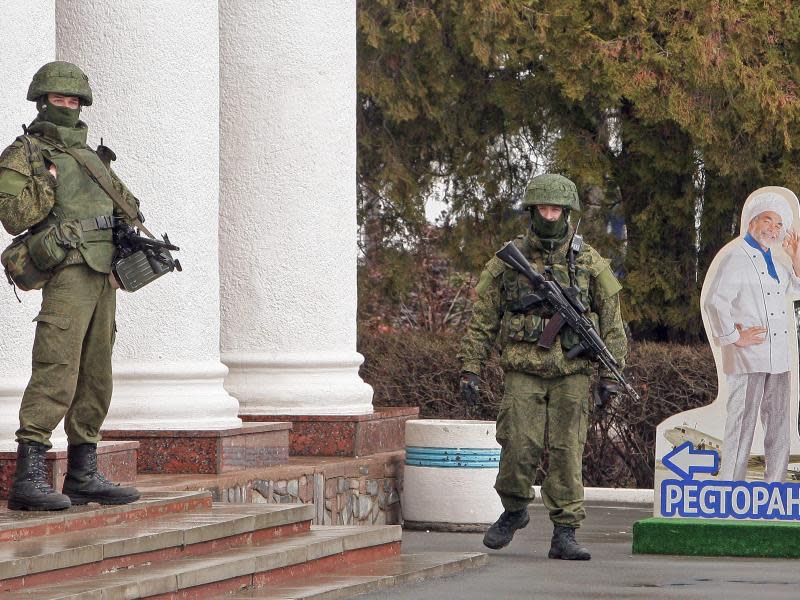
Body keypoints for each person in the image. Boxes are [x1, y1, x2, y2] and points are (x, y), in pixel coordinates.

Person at [458, 173, 627, 560]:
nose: (550, 216)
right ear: (532, 211)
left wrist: (610, 376)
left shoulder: (588, 260)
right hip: (523, 368)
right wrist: (471, 366)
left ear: (568, 213)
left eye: (557, 209)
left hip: (571, 373)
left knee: (568, 451)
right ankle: (514, 510)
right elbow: (483, 318)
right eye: (543, 208)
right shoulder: (509, 260)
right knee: (518, 445)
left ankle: (565, 532)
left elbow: (613, 322)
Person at [0, 61, 141, 510]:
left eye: (75, 100)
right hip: (67, 273)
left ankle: (83, 472)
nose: (68, 107)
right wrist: (47, 184)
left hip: (103, 274)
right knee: (56, 367)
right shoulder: (25, 153)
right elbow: (13, 216)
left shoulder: (95, 158)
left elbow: (128, 206)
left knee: (96, 374)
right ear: (42, 102)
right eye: (60, 100)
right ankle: (30, 475)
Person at [703, 191, 800, 483]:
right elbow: (714, 302)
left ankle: (776, 484)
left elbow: (795, 289)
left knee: (779, 424)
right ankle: (730, 485)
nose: (773, 228)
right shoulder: (736, 256)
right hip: (748, 357)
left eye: (778, 224)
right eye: (767, 220)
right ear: (752, 223)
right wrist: (734, 336)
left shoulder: (775, 260)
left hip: (778, 357)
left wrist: (796, 257)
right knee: (742, 423)